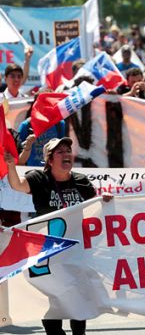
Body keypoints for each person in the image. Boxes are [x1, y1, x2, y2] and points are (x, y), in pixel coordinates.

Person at [4, 137, 112, 335]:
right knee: (53, 310)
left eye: (68, 151)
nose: (66, 155)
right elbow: (18, 185)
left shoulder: (81, 182)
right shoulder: (39, 179)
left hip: (76, 254)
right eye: (60, 152)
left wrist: (104, 200)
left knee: (78, 306)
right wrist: (11, 165)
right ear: (50, 159)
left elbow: (94, 208)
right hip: (49, 256)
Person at [18, 94, 66, 166]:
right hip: (31, 171)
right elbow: (18, 158)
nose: (45, 107)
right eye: (42, 104)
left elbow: (62, 149)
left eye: (49, 103)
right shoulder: (26, 125)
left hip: (52, 170)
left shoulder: (59, 124)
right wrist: (28, 145)